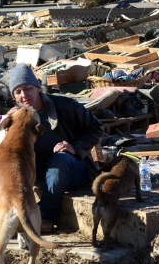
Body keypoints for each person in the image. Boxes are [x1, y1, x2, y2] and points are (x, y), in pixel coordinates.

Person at [7, 63, 104, 234]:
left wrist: (75, 147)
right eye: (18, 92)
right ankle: (16, 213)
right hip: (40, 174)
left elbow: (97, 128)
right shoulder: (17, 117)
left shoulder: (65, 105)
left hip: (74, 171)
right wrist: (11, 127)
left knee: (60, 158)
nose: (24, 95)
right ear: (14, 97)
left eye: (28, 88)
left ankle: (45, 217)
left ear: (38, 88)